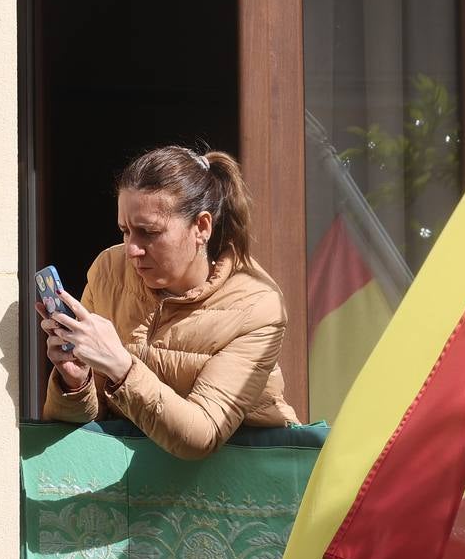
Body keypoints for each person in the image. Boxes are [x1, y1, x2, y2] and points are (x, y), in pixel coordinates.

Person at [38, 145, 299, 459]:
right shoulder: (109, 271)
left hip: (242, 483)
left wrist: (121, 367)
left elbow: (201, 436)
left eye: (149, 232)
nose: (132, 249)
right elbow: (89, 423)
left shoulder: (257, 306)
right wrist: (76, 381)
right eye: (125, 231)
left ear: (201, 227)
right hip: (141, 481)